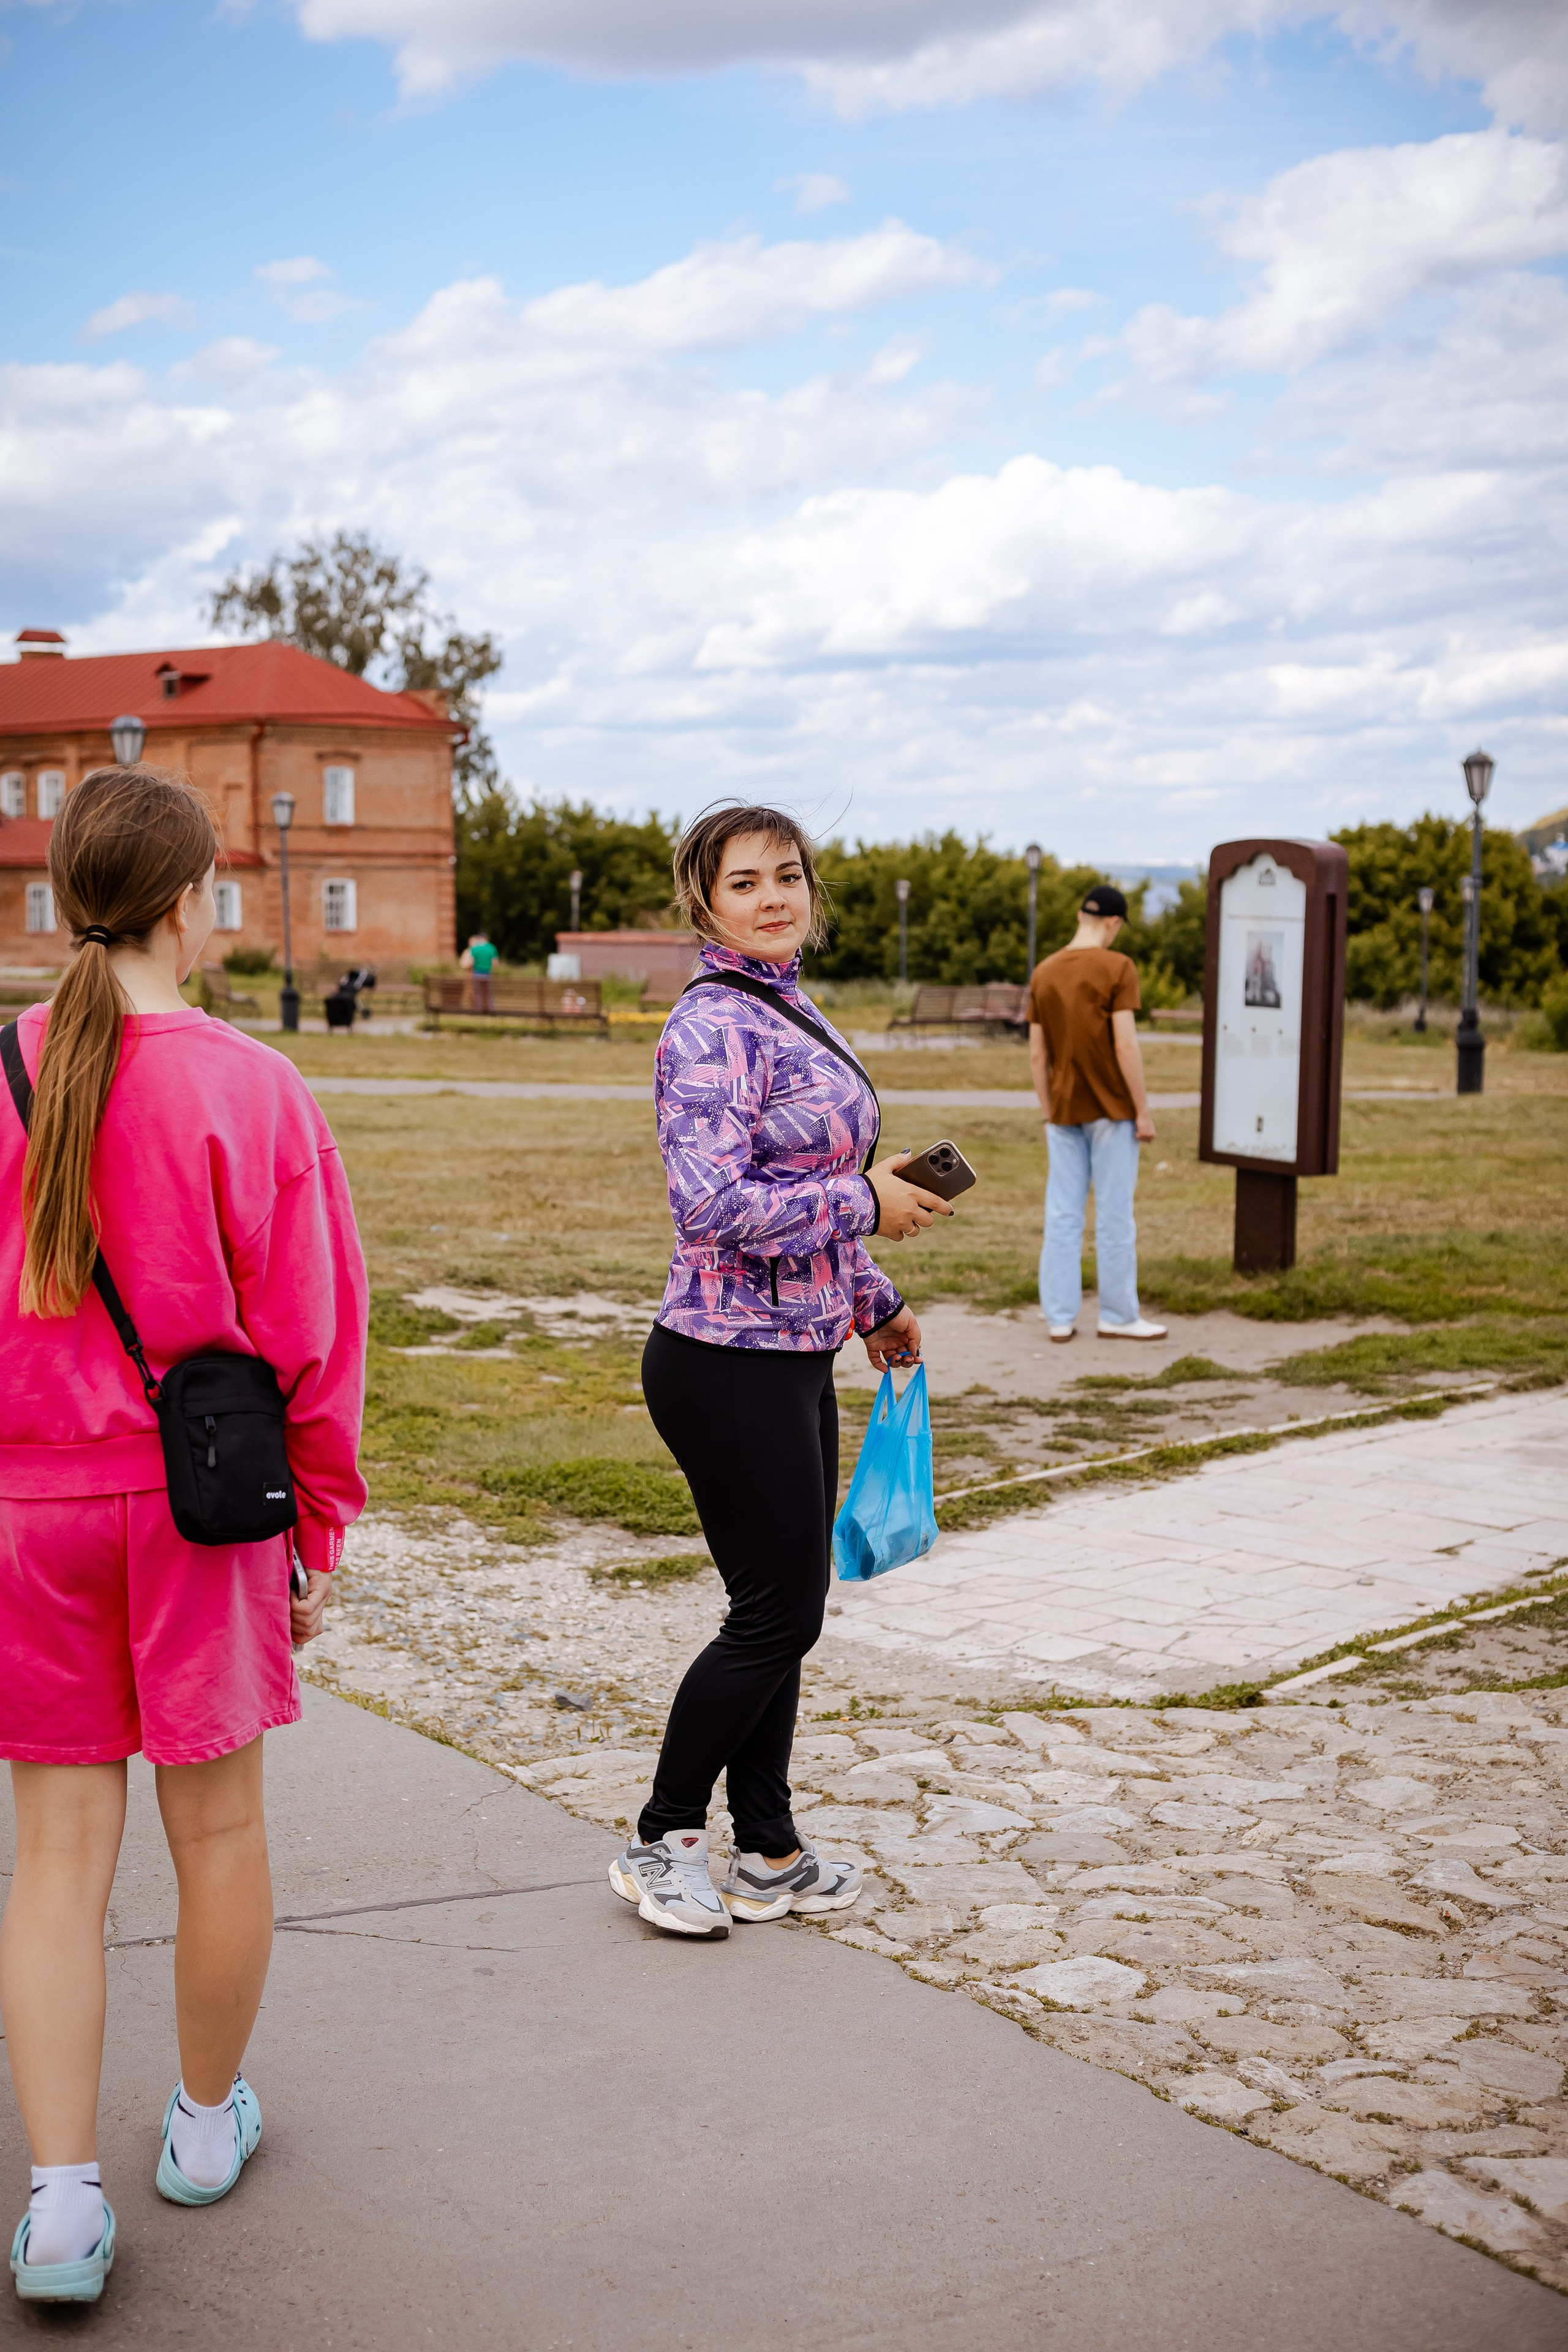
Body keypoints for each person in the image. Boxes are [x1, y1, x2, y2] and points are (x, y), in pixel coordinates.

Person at [0, 767, 368, 2305]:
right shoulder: (254, 1085)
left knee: (53, 1859)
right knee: (216, 1833)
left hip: (32, 1510)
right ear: (183, 899)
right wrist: (319, 1527)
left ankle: (65, 2204)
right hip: (202, 1513)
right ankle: (206, 2126)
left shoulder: (6, 1068)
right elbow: (313, 1334)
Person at [609, 804, 951, 1939]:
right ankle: (662, 1839)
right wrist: (867, 1198)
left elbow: (808, 1181)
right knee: (772, 1614)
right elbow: (712, 1204)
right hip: (721, 1357)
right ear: (702, 901)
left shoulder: (785, 1000)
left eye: (788, 876)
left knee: (785, 1610)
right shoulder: (710, 1024)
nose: (771, 896)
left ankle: (769, 1850)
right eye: (743, 881)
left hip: (797, 1348)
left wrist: (874, 1303)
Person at [1028, 883, 1167, 1344]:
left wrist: (1051, 1109)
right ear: (1114, 923)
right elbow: (1125, 1043)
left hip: (1064, 1112)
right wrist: (1142, 1110)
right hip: (1112, 1111)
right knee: (1114, 1215)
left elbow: (1036, 1056)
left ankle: (1060, 1318)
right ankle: (1118, 1315)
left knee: (1063, 1215)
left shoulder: (1044, 972)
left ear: (1079, 914)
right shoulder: (1118, 967)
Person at [461, 929, 496, 1012]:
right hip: (487, 973)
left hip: (477, 974)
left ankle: (479, 1009)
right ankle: (491, 1008)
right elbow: (495, 963)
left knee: (478, 993)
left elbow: (470, 962)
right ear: (487, 938)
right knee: (488, 993)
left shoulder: (475, 949)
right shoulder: (492, 948)